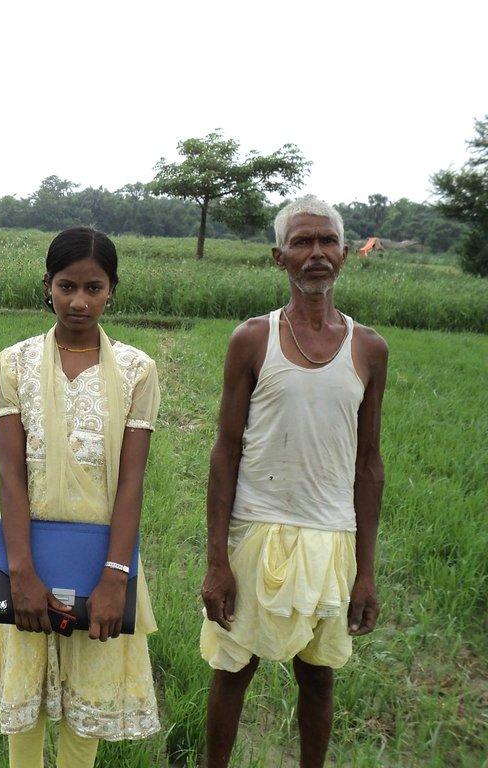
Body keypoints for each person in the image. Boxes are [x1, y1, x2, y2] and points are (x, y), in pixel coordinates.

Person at [0, 227, 162, 767]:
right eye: (67, 285)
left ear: (112, 290)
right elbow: (11, 476)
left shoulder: (139, 371)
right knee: (25, 707)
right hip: (27, 553)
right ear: (47, 286)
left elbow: (131, 483)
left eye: (93, 288)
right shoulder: (15, 363)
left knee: (87, 701)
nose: (79, 301)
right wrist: (20, 572)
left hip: (103, 559)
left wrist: (115, 575)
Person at [199, 196, 388, 767]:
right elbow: (225, 451)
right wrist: (217, 560)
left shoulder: (369, 349)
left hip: (331, 539)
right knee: (233, 671)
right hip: (257, 532)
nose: (316, 254)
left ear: (346, 255)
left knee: (319, 680)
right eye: (302, 243)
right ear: (279, 257)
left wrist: (366, 573)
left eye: (327, 241)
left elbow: (369, 463)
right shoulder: (252, 340)